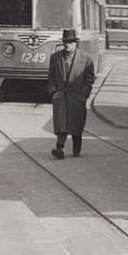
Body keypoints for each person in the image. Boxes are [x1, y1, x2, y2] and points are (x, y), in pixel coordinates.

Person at [48, 29, 95, 159]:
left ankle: (76, 150)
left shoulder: (86, 58)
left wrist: (84, 94)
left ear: (76, 43)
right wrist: (53, 92)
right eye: (66, 42)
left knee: (77, 125)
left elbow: (90, 78)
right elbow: (51, 77)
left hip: (77, 97)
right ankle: (59, 148)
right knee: (61, 125)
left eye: (70, 43)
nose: (68, 45)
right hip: (61, 96)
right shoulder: (55, 57)